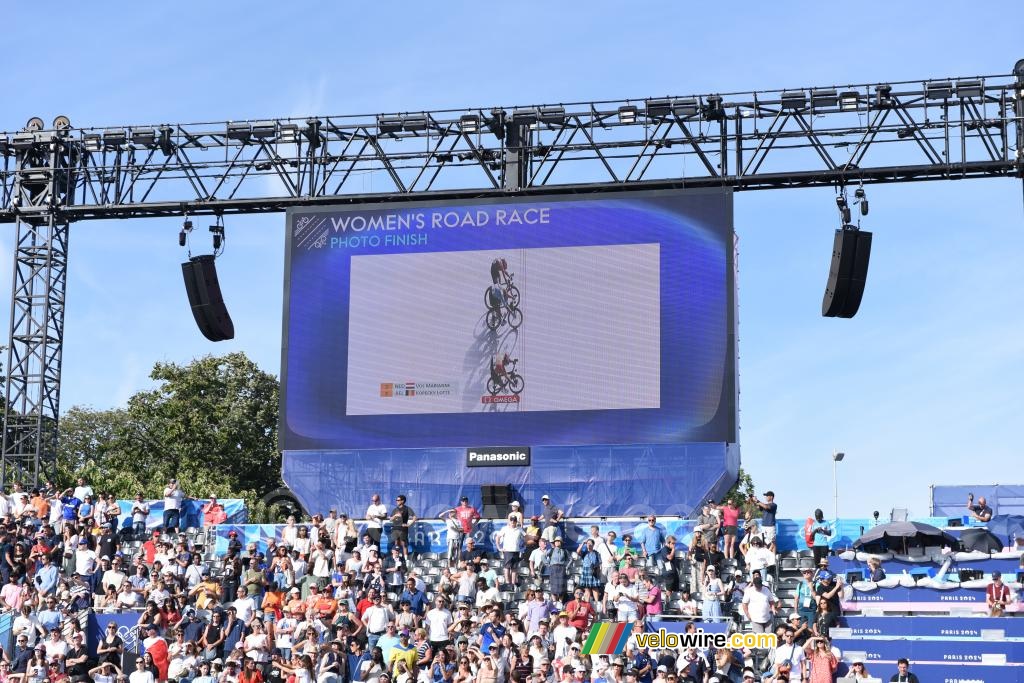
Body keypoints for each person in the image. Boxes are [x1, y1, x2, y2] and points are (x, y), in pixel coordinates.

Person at [389, 496, 417, 561]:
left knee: (404, 544)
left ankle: (406, 560)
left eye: (398, 500)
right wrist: (395, 515)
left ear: (402, 501)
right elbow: (390, 519)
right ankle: (397, 559)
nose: (397, 501)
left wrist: (409, 524)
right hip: (395, 529)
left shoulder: (407, 509)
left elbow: (415, 517)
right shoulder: (395, 509)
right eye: (396, 500)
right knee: (396, 544)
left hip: (403, 529)